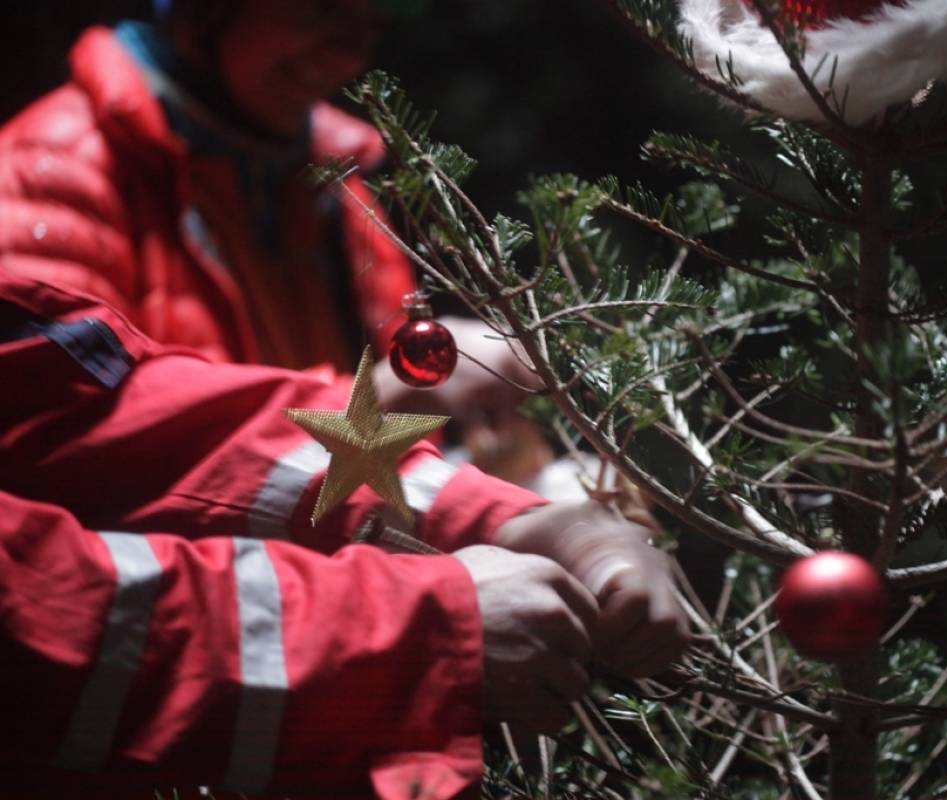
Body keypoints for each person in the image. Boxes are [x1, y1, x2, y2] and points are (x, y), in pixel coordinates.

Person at [0, 271, 689, 798]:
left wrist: (504, 518)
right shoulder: (57, 176)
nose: (337, 74)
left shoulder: (334, 183)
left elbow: (131, 428)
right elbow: (42, 621)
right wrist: (418, 629)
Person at [0, 0, 529, 425]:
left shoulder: (335, 184)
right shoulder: (54, 170)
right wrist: (373, 399)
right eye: (319, 10)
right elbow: (73, 436)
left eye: (371, 23)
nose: (348, 55)